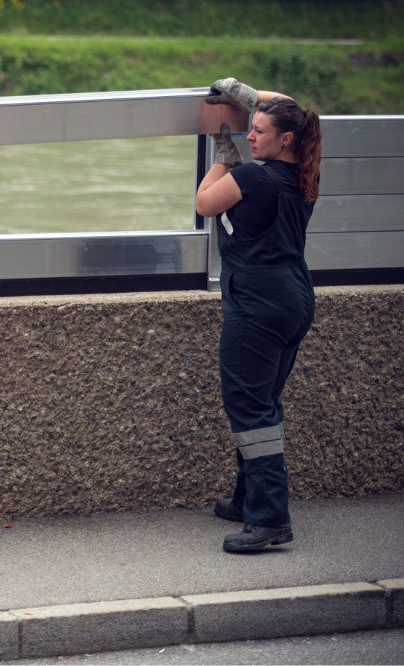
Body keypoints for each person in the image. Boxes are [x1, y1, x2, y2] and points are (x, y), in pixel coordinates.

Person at [196, 78, 323, 552]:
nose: (251, 135)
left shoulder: (252, 176)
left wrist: (222, 155)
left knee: (251, 408)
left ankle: (270, 520)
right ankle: (248, 498)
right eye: (249, 128)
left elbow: (204, 202)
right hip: (294, 298)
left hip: (257, 303)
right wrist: (242, 93)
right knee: (263, 401)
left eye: (260, 131)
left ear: (285, 139)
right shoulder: (304, 172)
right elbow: (290, 105)